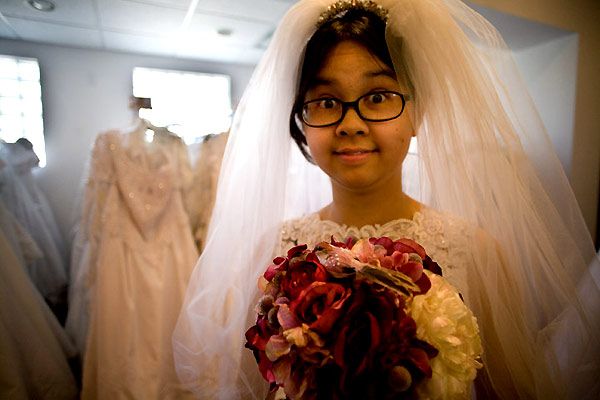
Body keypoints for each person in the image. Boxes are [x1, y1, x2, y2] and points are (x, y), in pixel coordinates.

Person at [173, 0, 600, 399]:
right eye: (325, 102)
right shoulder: (271, 252)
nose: (351, 123)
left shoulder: (477, 253)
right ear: (302, 122)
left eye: (377, 97)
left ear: (417, 113)